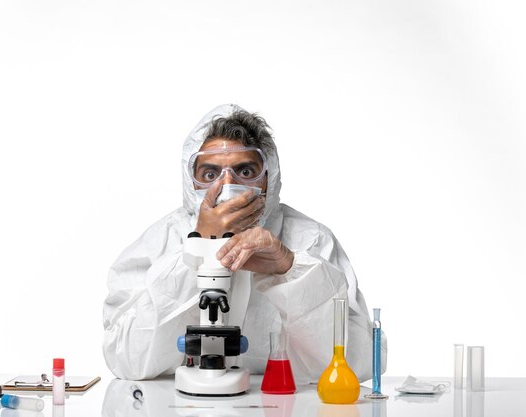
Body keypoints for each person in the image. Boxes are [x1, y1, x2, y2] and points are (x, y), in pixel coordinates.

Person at [103, 104, 386, 382]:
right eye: (211, 175)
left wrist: (290, 268)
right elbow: (126, 358)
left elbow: (358, 362)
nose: (227, 187)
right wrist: (199, 247)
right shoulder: (162, 240)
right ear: (192, 183)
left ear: (268, 179)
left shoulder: (310, 239)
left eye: (246, 172)